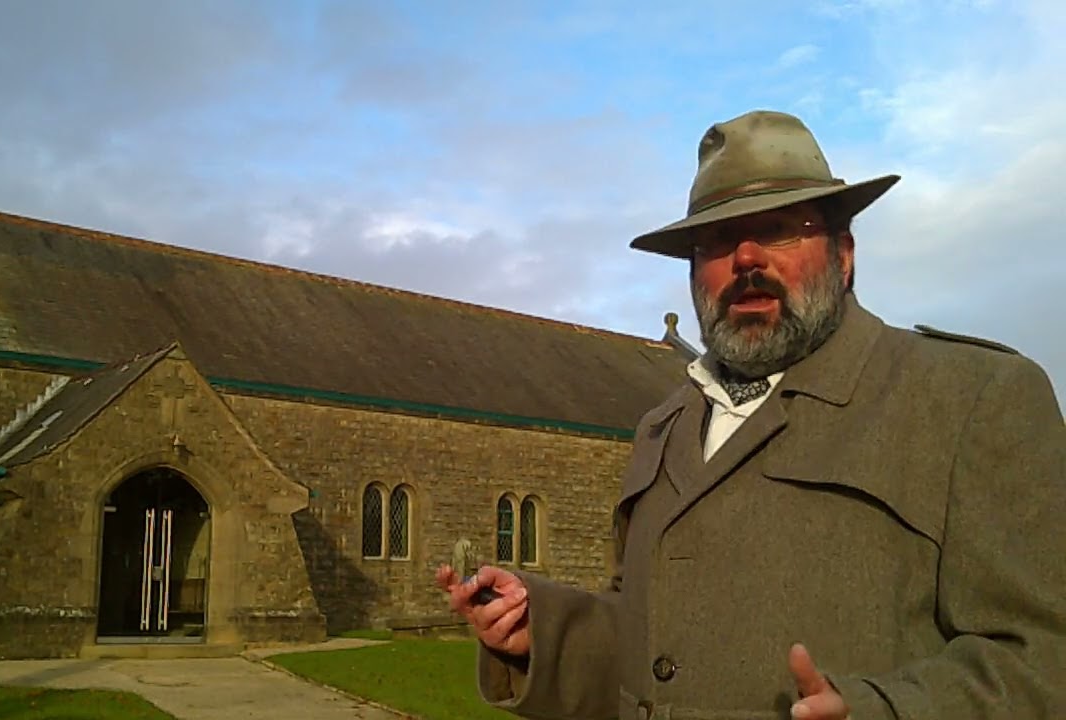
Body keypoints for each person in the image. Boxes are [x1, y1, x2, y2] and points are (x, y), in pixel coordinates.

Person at [435, 109, 1066, 719]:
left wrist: (880, 711)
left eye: (779, 228)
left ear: (843, 254)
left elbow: (1043, 660)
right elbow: (654, 640)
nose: (744, 259)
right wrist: (540, 633)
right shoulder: (663, 426)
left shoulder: (973, 398)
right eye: (715, 241)